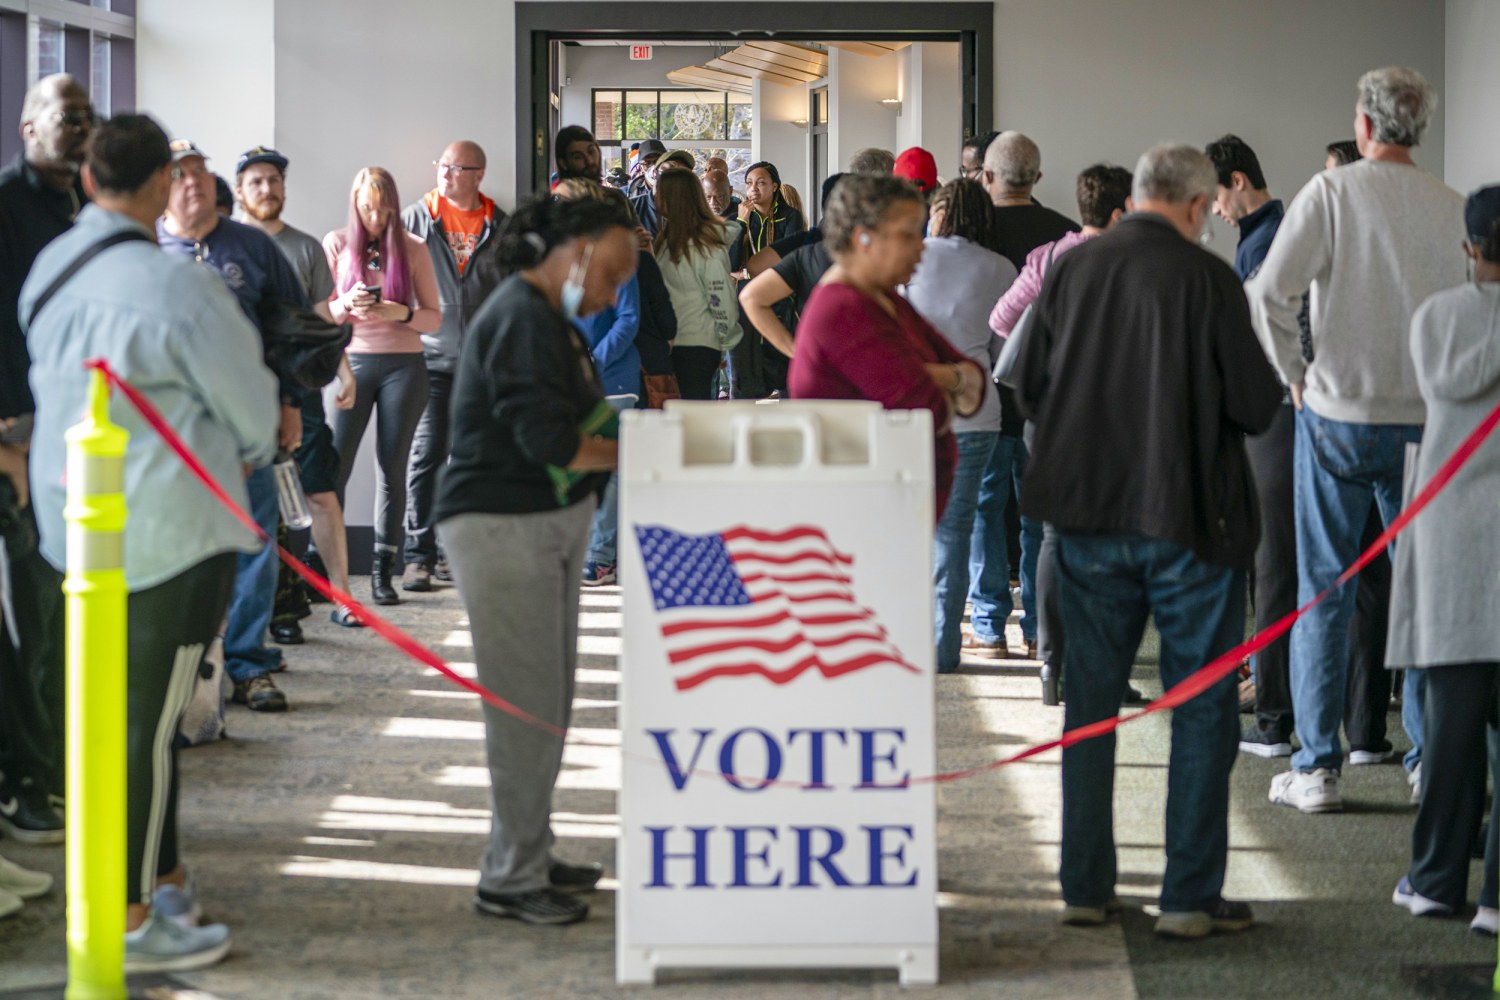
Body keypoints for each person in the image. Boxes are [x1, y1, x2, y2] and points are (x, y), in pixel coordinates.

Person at [23, 113, 279, 970]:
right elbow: (251, 415)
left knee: (112, 718)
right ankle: (131, 918)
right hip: (168, 539)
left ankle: (158, 879)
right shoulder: (181, 290)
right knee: (146, 727)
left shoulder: (51, 265)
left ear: (88, 182)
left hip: (68, 528)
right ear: (165, 188)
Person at [1014, 143, 1282, 939]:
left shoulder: (1070, 269)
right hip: (1191, 521)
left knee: (1091, 706)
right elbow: (1258, 406)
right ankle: (1188, 899)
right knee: (1201, 709)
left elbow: (1026, 384)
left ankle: (1086, 888)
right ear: (1199, 206)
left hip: (1087, 520)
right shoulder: (1208, 280)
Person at [1247, 66, 1466, 813]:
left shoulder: (1332, 193)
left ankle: (1316, 767)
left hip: (1338, 416)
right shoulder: (1452, 206)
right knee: (1425, 599)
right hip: (1428, 425)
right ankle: (1429, 758)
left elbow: (1267, 293)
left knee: (1324, 591)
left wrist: (1296, 376)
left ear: (1364, 126)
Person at [434, 195, 638, 926]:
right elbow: (552, 440)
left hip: (541, 523)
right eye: (611, 273)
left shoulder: (547, 317)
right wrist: (646, 452)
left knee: (545, 704)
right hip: (504, 524)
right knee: (524, 709)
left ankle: (528, 848)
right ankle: (511, 878)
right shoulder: (521, 317)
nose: (614, 291)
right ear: (575, 248)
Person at [158, 139, 309, 713]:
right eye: (179, 174)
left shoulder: (250, 246)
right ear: (159, 186)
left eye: (200, 172)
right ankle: (183, 672)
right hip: (174, 434)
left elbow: (292, 329)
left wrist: (291, 402)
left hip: (250, 425)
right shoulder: (149, 249)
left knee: (255, 543)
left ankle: (250, 664)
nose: (193, 182)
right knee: (183, 549)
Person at [1386, 189, 1500, 931]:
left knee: (1452, 722)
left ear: (1470, 246)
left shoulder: (1435, 320)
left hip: (1456, 540)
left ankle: (1434, 880)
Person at [988, 163, 1133, 696]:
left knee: (1053, 535)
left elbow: (1002, 321)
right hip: (1113, 417)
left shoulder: (1049, 257)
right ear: (1121, 209)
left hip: (1047, 414)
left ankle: (1051, 662)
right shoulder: (1127, 261)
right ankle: (1106, 668)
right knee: (1113, 539)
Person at [0, 72, 92, 842]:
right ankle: (26, 781)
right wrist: (10, 440)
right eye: (67, 115)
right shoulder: (4, 203)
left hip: (84, 445)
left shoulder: (93, 206)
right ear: (30, 125)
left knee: (70, 615)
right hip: (20, 448)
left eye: (89, 116)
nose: (81, 125)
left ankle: (58, 765)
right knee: (27, 616)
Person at [789, 173, 985, 518]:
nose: (922, 245)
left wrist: (942, 378)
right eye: (908, 234)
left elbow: (975, 383)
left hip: (889, 512)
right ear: (863, 238)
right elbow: (927, 408)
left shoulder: (885, 298)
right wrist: (954, 380)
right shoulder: (844, 310)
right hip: (861, 516)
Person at [234, 145, 362, 632]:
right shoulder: (225, 244)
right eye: (256, 182)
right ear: (241, 191)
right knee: (253, 498)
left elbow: (318, 323)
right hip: (243, 392)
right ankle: (270, 609)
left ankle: (343, 595)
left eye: (274, 180)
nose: (267, 189)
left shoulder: (306, 248)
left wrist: (343, 371)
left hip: (299, 392)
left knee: (319, 492)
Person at [969, 131, 1080, 663]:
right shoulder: (1066, 234)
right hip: (1047, 399)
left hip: (982, 393)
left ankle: (988, 628)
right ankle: (1040, 628)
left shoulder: (971, 231)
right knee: (1039, 518)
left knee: (984, 511)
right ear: (1037, 178)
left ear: (987, 177)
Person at [903, 178, 1015, 673]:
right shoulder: (1001, 268)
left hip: (913, 408)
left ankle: (909, 640)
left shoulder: (912, 256)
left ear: (940, 211)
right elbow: (1001, 352)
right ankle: (943, 648)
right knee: (957, 530)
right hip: (976, 411)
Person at [323, 167, 442, 607]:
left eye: (381, 207)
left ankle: (381, 574)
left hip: (404, 366)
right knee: (335, 469)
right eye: (366, 207)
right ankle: (329, 571)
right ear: (355, 205)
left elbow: (435, 317)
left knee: (392, 472)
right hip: (351, 364)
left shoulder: (413, 248)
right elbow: (321, 317)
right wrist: (344, 304)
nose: (374, 216)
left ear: (393, 204)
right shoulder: (336, 244)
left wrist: (401, 314)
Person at [400, 142, 507, 593]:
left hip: (481, 365)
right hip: (429, 358)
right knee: (427, 454)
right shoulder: (415, 220)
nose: (445, 175)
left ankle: (455, 552)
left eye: (455, 168)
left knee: (472, 459)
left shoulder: (501, 225)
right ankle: (418, 557)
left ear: (478, 174)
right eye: (442, 166)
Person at [554, 181, 641, 588]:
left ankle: (602, 557)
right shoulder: (562, 263)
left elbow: (628, 319)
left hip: (615, 381)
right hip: (572, 379)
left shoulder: (616, 257)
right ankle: (583, 549)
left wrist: (591, 361)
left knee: (611, 470)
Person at [654, 169, 740, 400]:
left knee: (693, 419)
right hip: (675, 343)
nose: (653, 195)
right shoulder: (668, 237)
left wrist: (724, 340)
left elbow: (719, 296)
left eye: (658, 190)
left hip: (696, 343)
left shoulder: (704, 243)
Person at [732, 161, 805, 398]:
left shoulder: (789, 216)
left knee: (782, 359)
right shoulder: (741, 217)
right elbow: (730, 262)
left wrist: (748, 271)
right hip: (745, 299)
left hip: (781, 296)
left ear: (774, 186)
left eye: (761, 183)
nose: (754, 189)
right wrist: (742, 222)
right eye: (750, 183)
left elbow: (789, 258)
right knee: (747, 362)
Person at [629, 149, 693, 237]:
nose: (676, 178)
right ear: (655, 174)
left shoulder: (694, 211)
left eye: (683, 173)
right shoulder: (631, 208)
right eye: (669, 170)